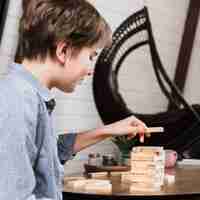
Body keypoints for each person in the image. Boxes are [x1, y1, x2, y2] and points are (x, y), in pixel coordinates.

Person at [0, 0, 149, 199]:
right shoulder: (17, 102)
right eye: (91, 56)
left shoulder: (29, 97)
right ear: (63, 51)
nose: (90, 70)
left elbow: (50, 154)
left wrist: (109, 130)